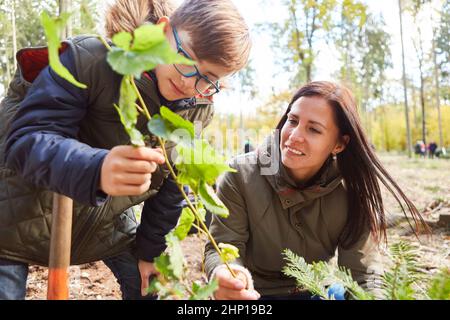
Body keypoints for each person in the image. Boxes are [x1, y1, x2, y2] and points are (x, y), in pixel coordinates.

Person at [0, 0, 251, 300]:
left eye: (208, 80)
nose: (190, 84)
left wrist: (150, 251)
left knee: (149, 287)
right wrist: (97, 170)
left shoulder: (197, 108)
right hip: (13, 221)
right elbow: (27, 142)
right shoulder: (90, 60)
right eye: (188, 62)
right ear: (163, 32)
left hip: (102, 226)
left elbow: (173, 185)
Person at [204, 81, 428, 300]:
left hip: (319, 292)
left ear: (339, 144)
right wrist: (228, 277)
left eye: (313, 129)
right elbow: (223, 246)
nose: (294, 135)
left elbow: (362, 277)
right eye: (292, 121)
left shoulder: (352, 193)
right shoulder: (239, 174)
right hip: (253, 293)